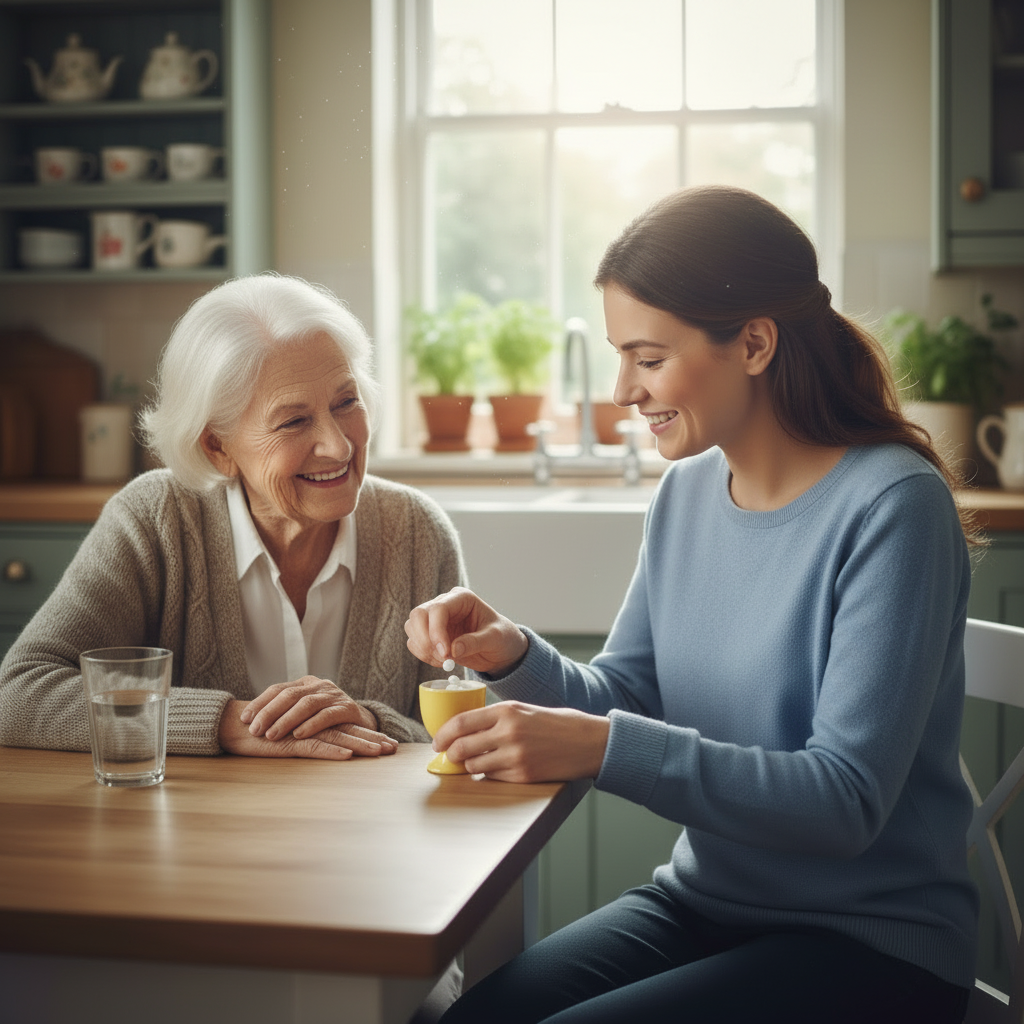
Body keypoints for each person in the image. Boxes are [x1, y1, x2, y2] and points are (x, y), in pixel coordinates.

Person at [405, 186, 979, 1024]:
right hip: (706, 904)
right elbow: (625, 697)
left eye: (647, 357)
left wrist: (604, 749)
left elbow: (845, 802)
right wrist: (514, 657)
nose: (623, 391)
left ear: (753, 343)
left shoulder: (893, 505)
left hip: (873, 944)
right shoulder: (686, 493)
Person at [0, 272, 467, 761]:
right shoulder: (155, 520)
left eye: (346, 401)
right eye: (294, 421)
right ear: (218, 447)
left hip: (371, 833)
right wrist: (228, 723)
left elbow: (461, 733)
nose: (339, 445)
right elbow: (20, 694)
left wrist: (367, 721)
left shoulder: (416, 531)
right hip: (195, 833)